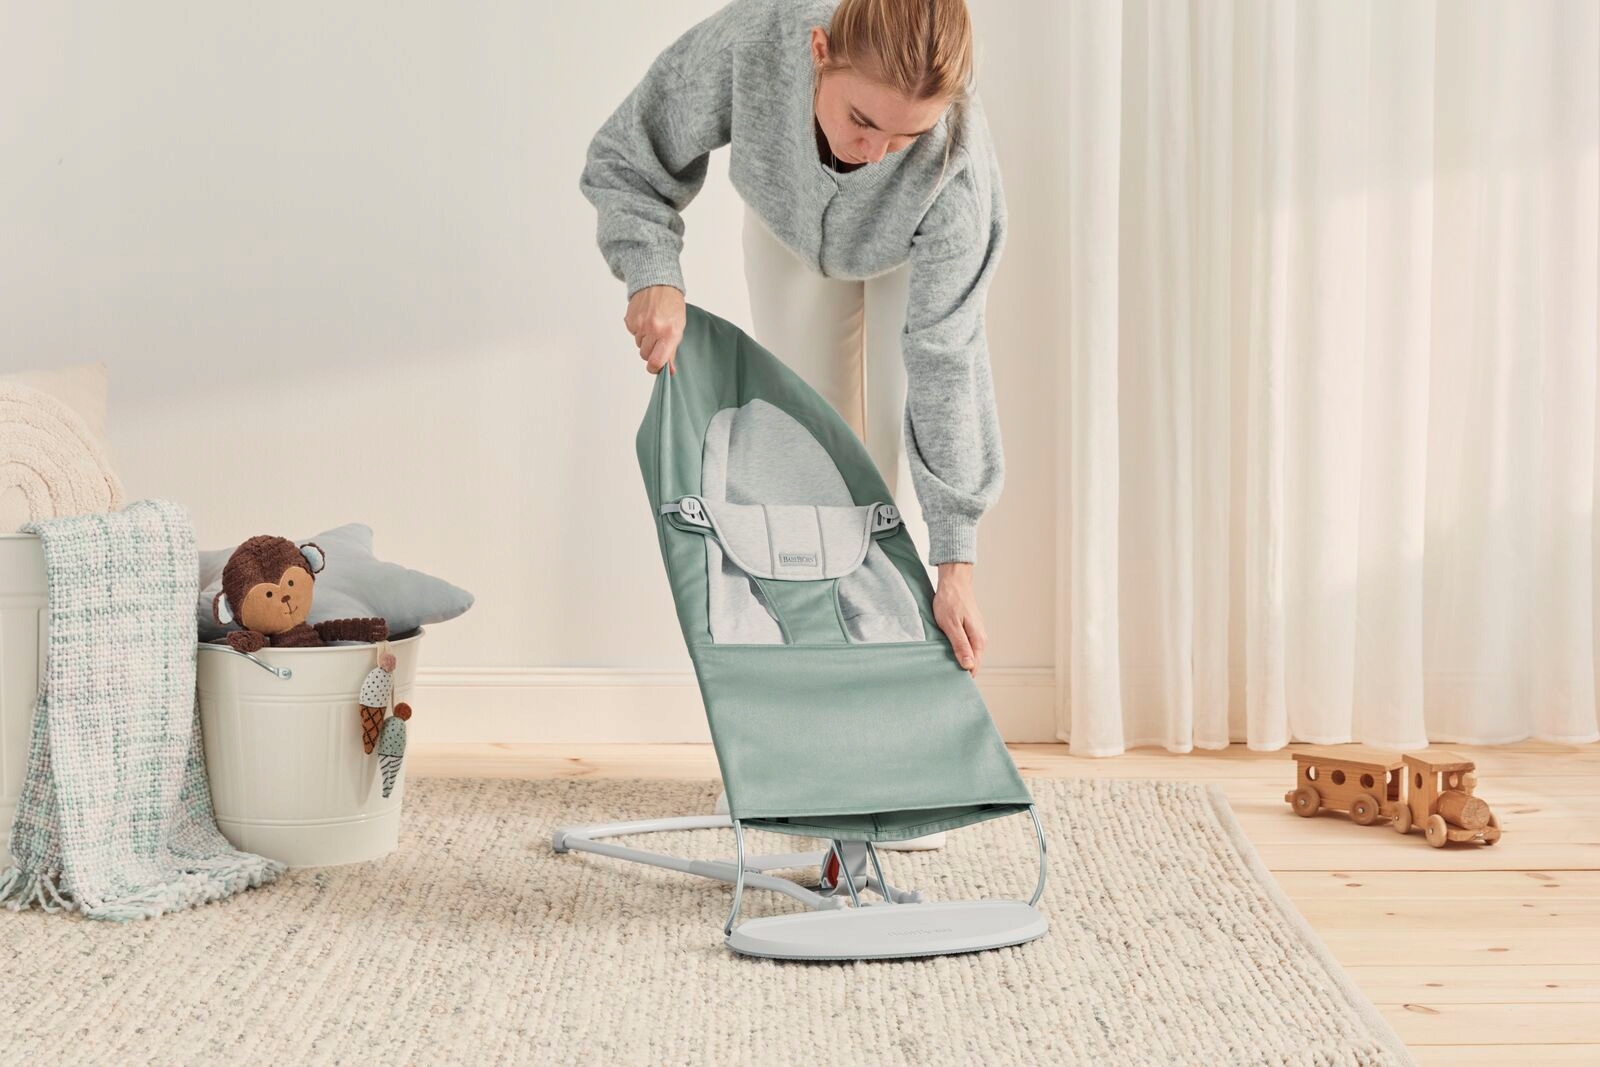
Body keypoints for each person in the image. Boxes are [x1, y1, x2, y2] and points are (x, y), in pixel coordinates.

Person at [581, 0, 1006, 846]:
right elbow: (629, 152)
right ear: (817, 51)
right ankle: (809, 748)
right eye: (861, 121)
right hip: (785, 230)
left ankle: (894, 756)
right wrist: (653, 271)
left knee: (884, 484)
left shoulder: (953, 168)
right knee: (801, 476)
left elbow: (948, 364)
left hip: (908, 253)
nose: (875, 151)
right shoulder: (757, 39)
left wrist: (956, 558)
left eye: (906, 134)